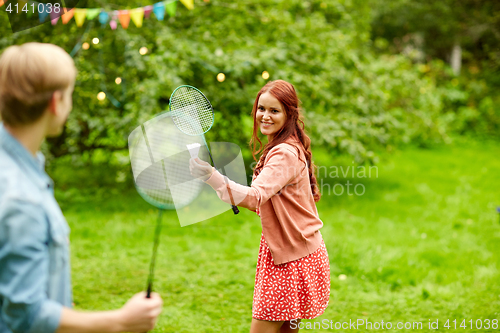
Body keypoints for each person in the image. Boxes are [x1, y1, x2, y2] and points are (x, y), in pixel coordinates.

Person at [0, 43, 163, 333]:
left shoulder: (22, 167)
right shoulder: (21, 200)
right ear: (55, 102)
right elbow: (26, 317)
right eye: (71, 94)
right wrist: (120, 321)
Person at [190, 80, 330, 333]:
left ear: (289, 114)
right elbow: (269, 202)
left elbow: (255, 197)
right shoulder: (284, 145)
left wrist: (212, 176)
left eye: (274, 111)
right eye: (261, 108)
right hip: (300, 249)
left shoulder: (284, 153)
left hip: (291, 259)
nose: (265, 116)